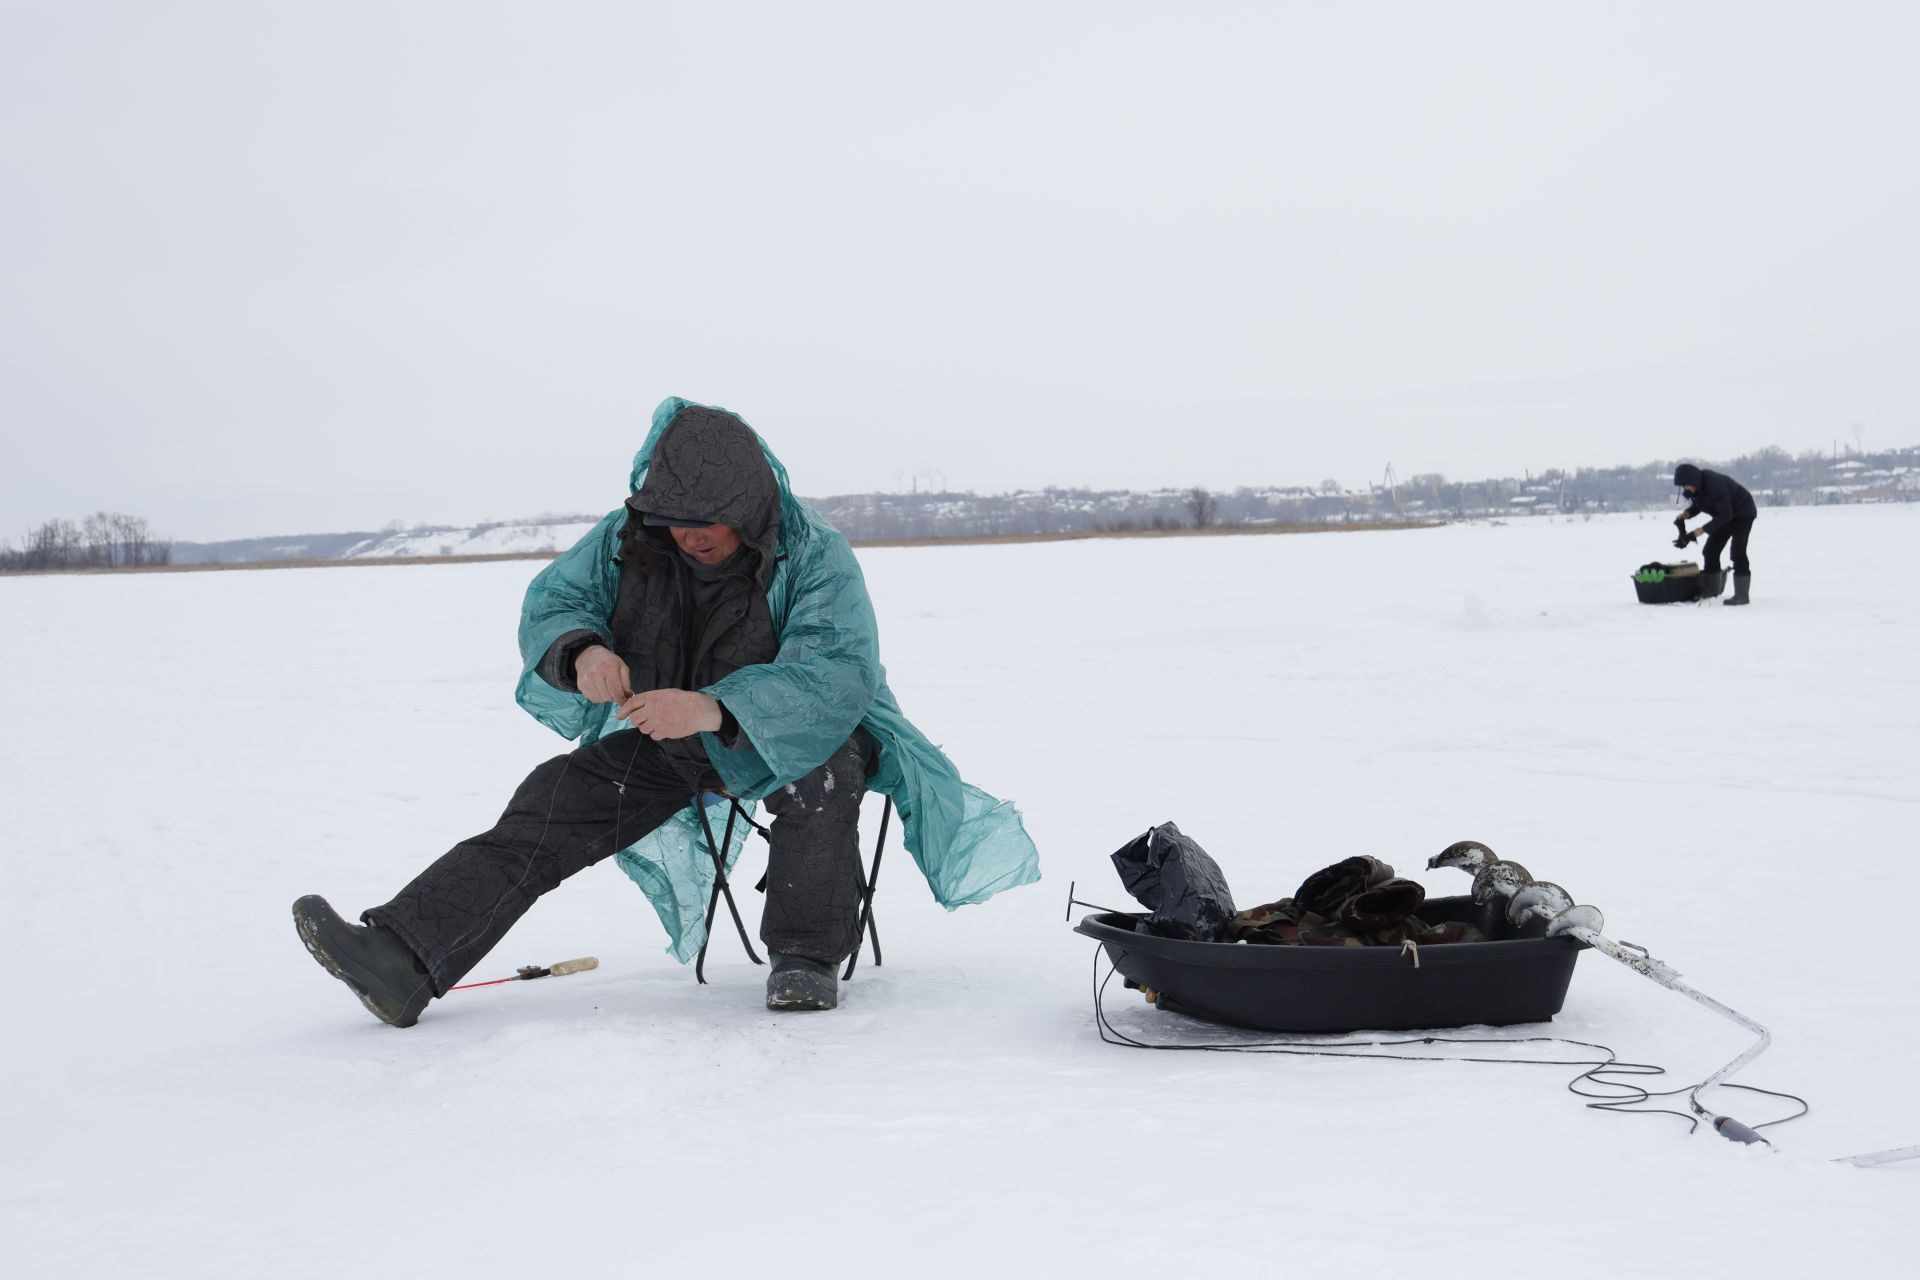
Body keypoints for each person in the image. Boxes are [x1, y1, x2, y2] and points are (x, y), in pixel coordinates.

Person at [293, 397, 1041, 1025]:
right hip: (671, 734)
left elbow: (836, 673)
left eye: (705, 521)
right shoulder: (631, 538)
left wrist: (716, 707)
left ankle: (806, 957)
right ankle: (404, 960)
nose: (688, 535)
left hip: (812, 735)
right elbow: (558, 600)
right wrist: (582, 651)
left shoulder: (816, 554)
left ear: (748, 505)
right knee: (556, 799)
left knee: (822, 778)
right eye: (675, 520)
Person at [1672, 463, 1757, 606]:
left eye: (1686, 485)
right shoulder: (1697, 488)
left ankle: (1742, 596)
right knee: (1710, 551)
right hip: (1725, 516)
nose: (1685, 489)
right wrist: (1686, 514)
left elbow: (1726, 514)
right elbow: (1699, 504)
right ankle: (1711, 592)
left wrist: (1700, 530)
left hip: (1743, 513)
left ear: (1693, 480)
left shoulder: (1714, 484)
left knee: (1737, 552)